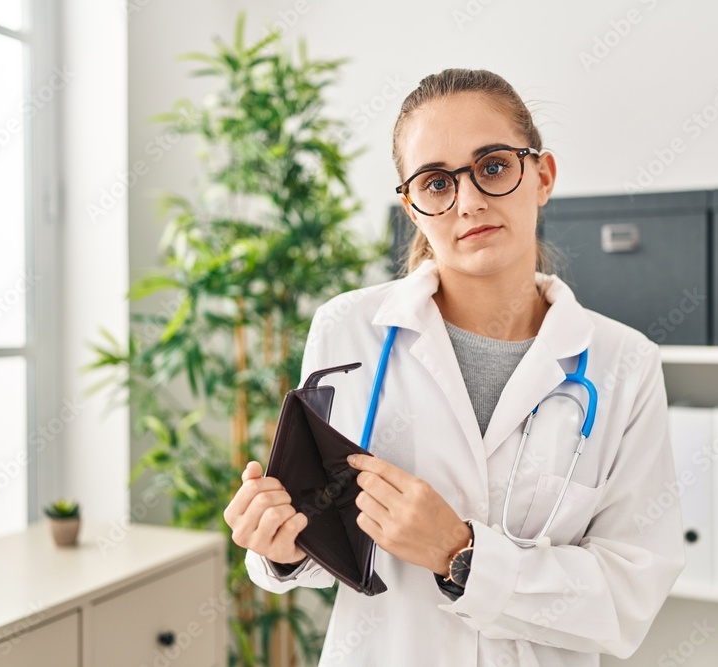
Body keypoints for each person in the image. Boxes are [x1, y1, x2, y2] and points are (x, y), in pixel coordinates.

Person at [223, 68, 686, 666]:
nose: (468, 202)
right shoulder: (347, 331)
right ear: (412, 207)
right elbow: (322, 536)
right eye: (436, 182)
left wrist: (460, 553)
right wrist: (279, 544)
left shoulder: (625, 364)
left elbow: (629, 595)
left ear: (541, 176)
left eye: (493, 167)